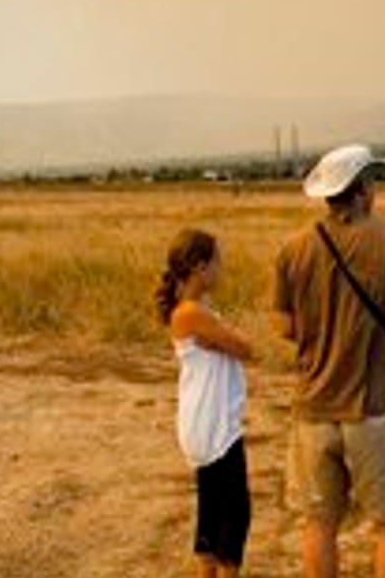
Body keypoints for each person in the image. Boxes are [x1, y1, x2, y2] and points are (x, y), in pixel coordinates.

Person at [271, 144, 385, 578]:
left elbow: (283, 326)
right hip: (374, 406)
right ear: (363, 189)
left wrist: (323, 330)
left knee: (318, 523)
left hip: (313, 409)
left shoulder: (292, 247)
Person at [157, 228, 254, 578]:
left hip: (205, 420)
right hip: (214, 425)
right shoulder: (192, 314)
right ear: (199, 267)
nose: (222, 268)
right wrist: (229, 337)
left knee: (212, 513)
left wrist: (225, 338)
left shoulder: (195, 312)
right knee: (233, 514)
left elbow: (233, 345)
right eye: (217, 261)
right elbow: (246, 348)